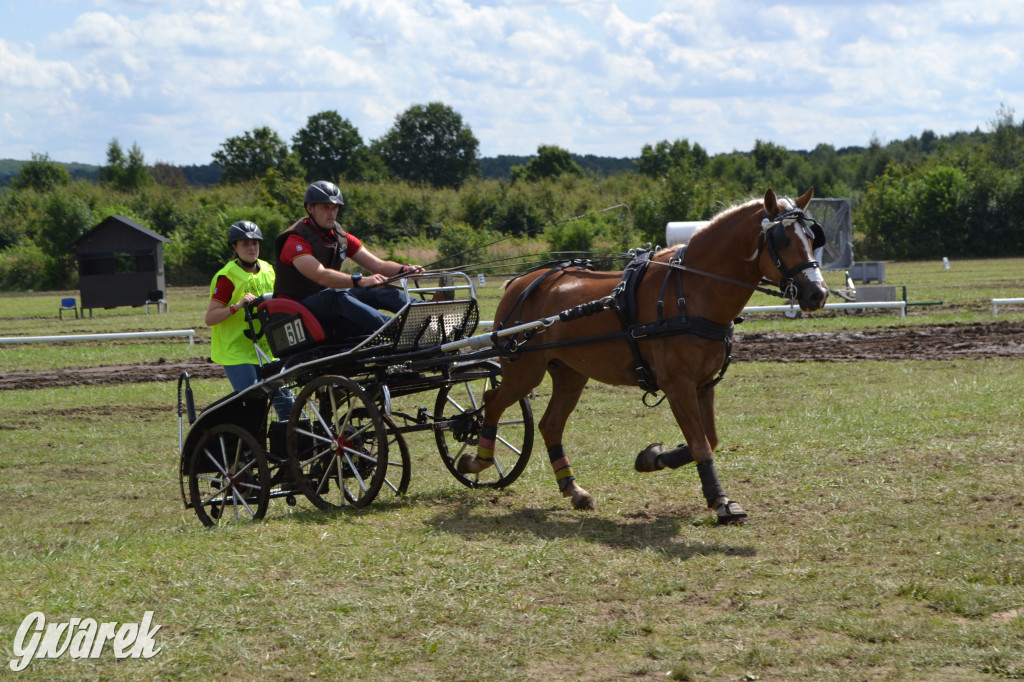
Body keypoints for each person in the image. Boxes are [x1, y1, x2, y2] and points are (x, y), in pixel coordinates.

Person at [273, 180, 424, 340]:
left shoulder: (339, 237)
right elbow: (320, 275)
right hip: (296, 309)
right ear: (310, 208)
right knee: (337, 295)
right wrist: (360, 280)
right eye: (325, 207)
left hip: (326, 302)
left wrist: (404, 270)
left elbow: (378, 265)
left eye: (335, 208)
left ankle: (425, 313)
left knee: (379, 289)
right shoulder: (295, 240)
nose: (331, 213)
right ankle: (398, 331)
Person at [205, 220, 293, 420]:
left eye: (255, 243)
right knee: (254, 409)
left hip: (268, 351)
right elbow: (210, 318)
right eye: (245, 244)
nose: (252, 248)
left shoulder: (268, 270)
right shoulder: (227, 277)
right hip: (238, 354)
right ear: (234, 248)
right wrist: (236, 306)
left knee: (288, 407)